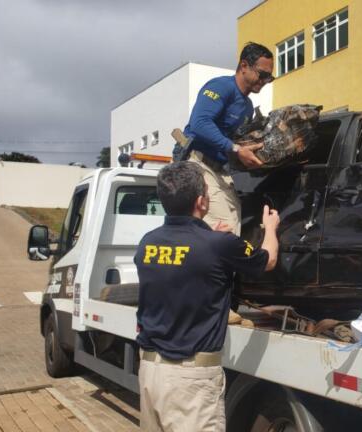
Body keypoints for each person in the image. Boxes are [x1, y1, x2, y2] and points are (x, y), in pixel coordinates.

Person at [135, 161, 280, 431]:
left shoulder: (147, 243)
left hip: (150, 372)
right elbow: (268, 260)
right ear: (202, 201)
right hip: (191, 380)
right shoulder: (218, 245)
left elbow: (183, 259)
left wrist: (211, 238)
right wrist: (270, 227)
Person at [183, 42, 275, 236]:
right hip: (197, 162)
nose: (265, 81)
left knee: (233, 217)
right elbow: (199, 123)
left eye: (270, 77)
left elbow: (237, 143)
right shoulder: (221, 87)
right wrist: (236, 149)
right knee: (223, 227)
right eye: (262, 74)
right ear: (244, 66)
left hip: (219, 168)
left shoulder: (247, 107)